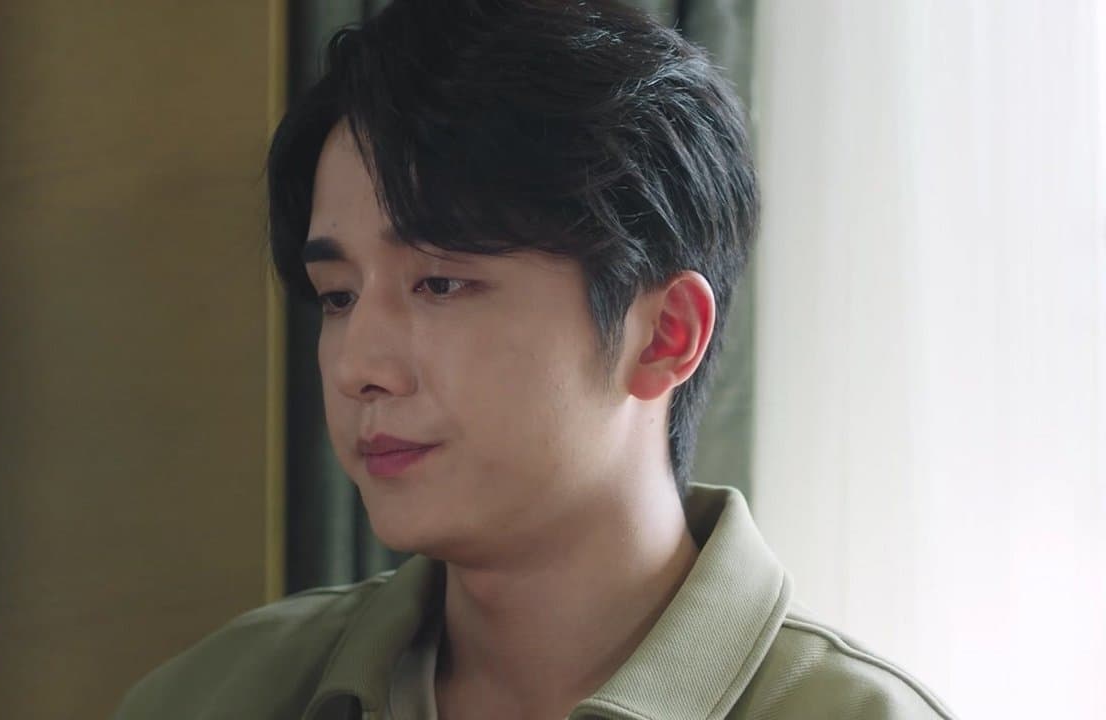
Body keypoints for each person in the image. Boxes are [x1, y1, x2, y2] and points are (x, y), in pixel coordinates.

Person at [113, 1, 954, 718]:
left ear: (665, 335)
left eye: (441, 284)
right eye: (339, 296)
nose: (357, 366)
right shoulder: (216, 695)